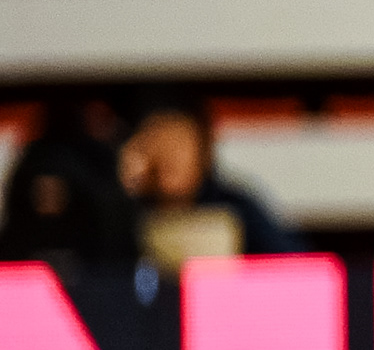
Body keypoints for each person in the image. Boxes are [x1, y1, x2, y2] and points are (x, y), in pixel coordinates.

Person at [117, 91, 308, 267]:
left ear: (203, 150)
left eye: (179, 142)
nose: (169, 155)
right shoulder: (125, 212)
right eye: (157, 141)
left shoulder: (234, 208)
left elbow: (292, 263)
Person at [1, 90, 141, 271]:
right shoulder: (34, 163)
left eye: (55, 190)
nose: (48, 197)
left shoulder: (99, 231)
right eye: (41, 190)